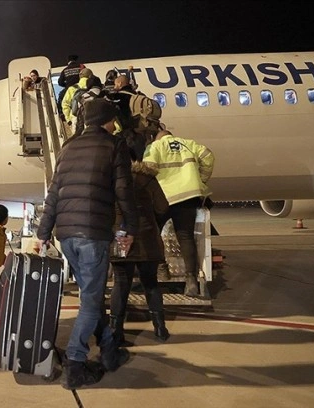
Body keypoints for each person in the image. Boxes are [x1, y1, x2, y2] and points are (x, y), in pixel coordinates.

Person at [36, 99, 139, 390]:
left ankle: (108, 352)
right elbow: (123, 190)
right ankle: (75, 364)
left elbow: (54, 193)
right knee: (91, 304)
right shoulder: (113, 145)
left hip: (66, 235)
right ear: (108, 120)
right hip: (92, 234)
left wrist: (44, 232)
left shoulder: (67, 147)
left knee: (91, 300)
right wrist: (130, 227)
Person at [109, 140, 170, 347]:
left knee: (121, 284)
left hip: (120, 238)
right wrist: (153, 224)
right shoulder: (147, 179)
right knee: (151, 284)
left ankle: (116, 332)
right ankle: (160, 328)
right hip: (147, 238)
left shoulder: (110, 180)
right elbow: (162, 207)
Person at [143, 127, 215, 297]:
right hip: (188, 196)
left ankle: (161, 268)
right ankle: (191, 282)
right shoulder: (189, 144)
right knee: (186, 237)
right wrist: (200, 179)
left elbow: (148, 168)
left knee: (153, 233)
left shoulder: (155, 147)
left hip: (164, 197)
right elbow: (208, 157)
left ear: (157, 138)